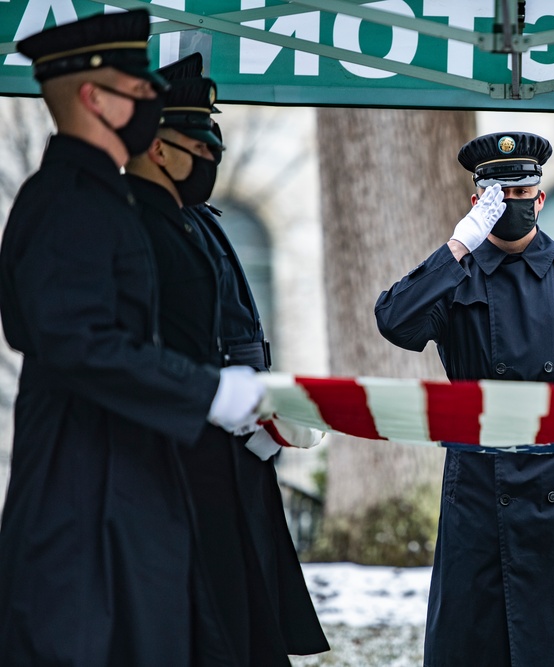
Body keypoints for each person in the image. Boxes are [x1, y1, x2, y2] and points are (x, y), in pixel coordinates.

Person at [0, 10, 267, 665]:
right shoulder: (72, 200)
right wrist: (206, 391)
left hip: (114, 470)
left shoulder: (90, 196)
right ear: (96, 97)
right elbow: (77, 341)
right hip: (84, 483)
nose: (154, 102)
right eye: (141, 89)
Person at [374, 132, 554, 666]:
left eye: (523, 194)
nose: (513, 206)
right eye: (500, 196)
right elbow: (395, 322)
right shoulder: (455, 276)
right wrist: (457, 246)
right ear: (479, 202)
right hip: (479, 496)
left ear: (540, 199)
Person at [123, 55, 328, 664]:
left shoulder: (198, 221)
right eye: (202, 140)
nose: (215, 154)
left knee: (245, 614)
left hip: (236, 452)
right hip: (180, 457)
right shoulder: (132, 224)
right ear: (160, 146)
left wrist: (269, 404)